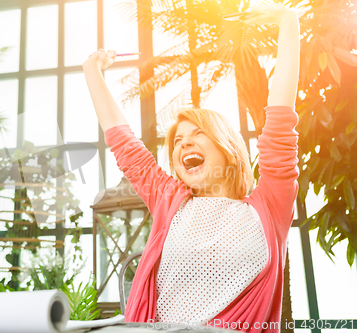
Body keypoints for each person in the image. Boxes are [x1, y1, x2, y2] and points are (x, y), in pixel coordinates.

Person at [83, 3, 300, 333]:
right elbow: (125, 145)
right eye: (178, 140)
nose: (184, 143)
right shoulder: (171, 201)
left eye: (198, 134)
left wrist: (288, 21)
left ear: (227, 147)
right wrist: (91, 72)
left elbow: (281, 120)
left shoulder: (269, 206)